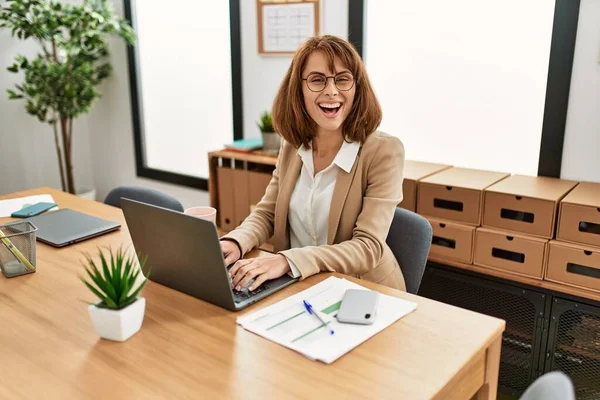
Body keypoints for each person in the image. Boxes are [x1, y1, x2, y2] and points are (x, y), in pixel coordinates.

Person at [220, 35, 406, 292]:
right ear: (299, 89)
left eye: (342, 79)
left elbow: (368, 248)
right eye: (317, 80)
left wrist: (289, 260)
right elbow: (268, 213)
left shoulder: (384, 152)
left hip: (363, 290)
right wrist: (236, 242)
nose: (332, 91)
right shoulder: (292, 144)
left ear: (356, 88)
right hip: (302, 286)